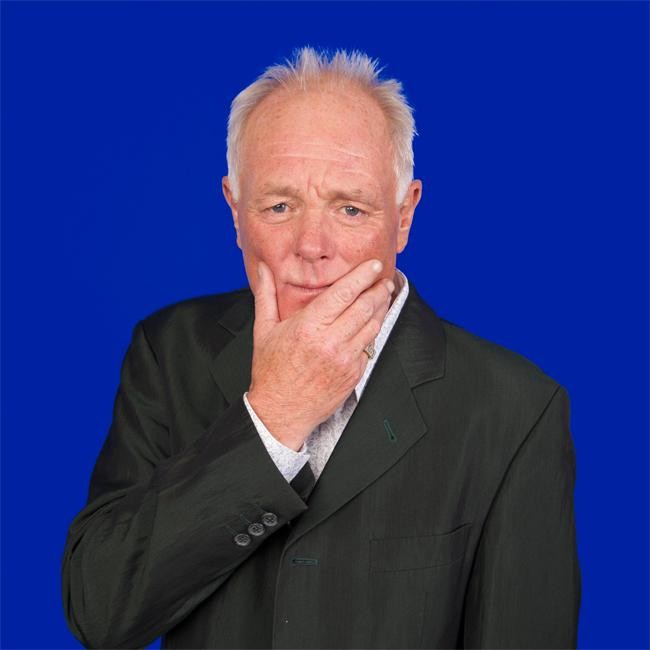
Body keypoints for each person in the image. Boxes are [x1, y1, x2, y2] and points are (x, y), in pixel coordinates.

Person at [61, 46, 580, 649]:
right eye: (280, 206)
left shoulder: (516, 410)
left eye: (350, 208)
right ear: (235, 210)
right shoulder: (169, 351)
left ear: (404, 217)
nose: (312, 246)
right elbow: (99, 611)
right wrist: (273, 417)